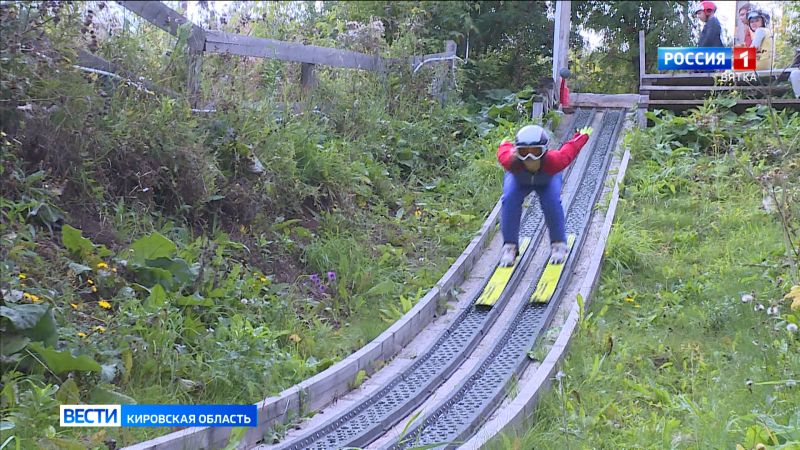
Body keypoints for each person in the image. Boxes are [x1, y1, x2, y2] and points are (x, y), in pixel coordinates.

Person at [496, 125, 593, 267]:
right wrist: (505, 143)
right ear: (517, 153)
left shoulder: (555, 161)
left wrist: (581, 136)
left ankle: (558, 243)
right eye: (523, 152)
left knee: (551, 202)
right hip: (519, 179)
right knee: (509, 200)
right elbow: (503, 150)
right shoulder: (510, 162)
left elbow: (570, 149)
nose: (530, 158)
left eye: (536, 152)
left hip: (547, 178)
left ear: (544, 151)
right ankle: (510, 246)